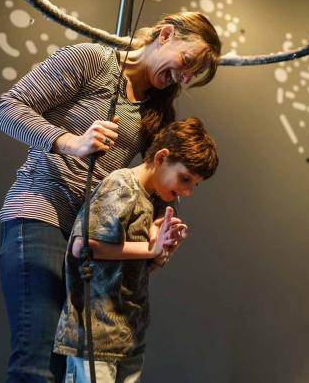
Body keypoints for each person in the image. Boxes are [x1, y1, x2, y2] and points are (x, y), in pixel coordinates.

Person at [0, 12, 222, 383]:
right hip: (41, 214)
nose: (184, 77)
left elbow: (156, 189)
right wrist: (71, 142)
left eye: (193, 76)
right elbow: (5, 109)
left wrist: (158, 237)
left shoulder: (158, 111)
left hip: (90, 236)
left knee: (68, 366)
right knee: (37, 363)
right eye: (187, 62)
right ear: (165, 34)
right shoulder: (91, 60)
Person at [53, 117, 218, 383]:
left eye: (194, 184)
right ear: (162, 157)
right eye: (185, 178)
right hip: (96, 335)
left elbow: (145, 264)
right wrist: (151, 248)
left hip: (128, 336)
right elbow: (84, 246)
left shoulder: (156, 202)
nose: (187, 191)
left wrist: (164, 248)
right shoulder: (122, 185)